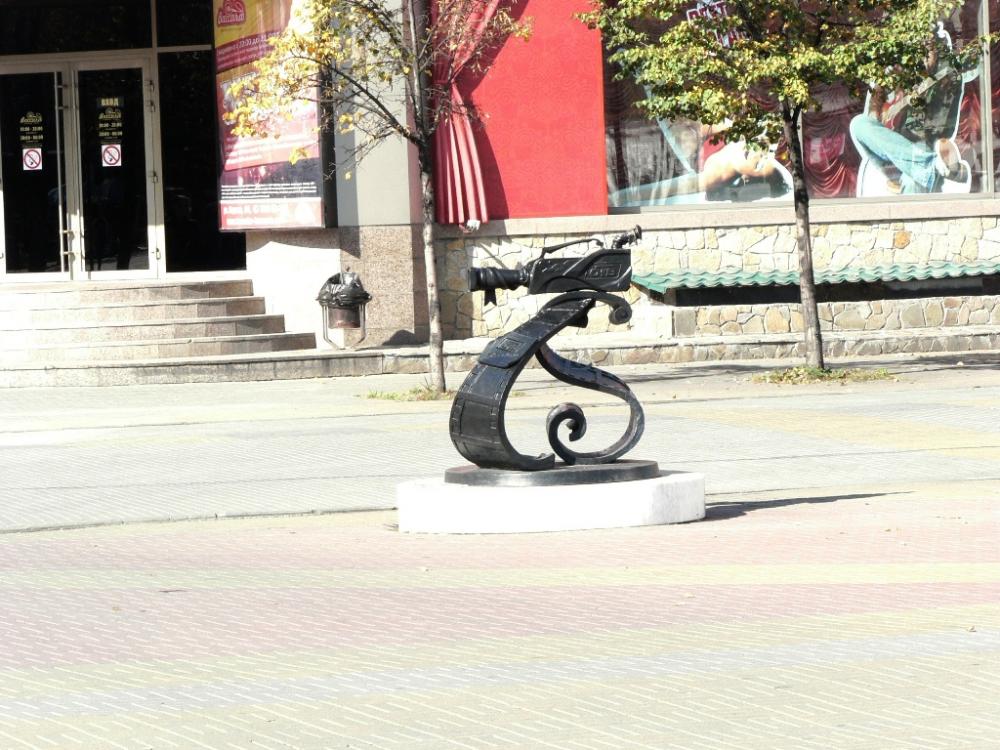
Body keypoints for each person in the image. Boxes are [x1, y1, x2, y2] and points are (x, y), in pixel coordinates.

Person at [849, 27, 968, 194]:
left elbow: (937, 124)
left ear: (936, 47)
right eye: (918, 48)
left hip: (924, 144)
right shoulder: (909, 70)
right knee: (858, 124)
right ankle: (927, 166)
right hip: (897, 145)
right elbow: (877, 95)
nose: (923, 55)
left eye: (928, 48)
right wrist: (879, 100)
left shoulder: (948, 73)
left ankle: (924, 166)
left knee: (913, 181)